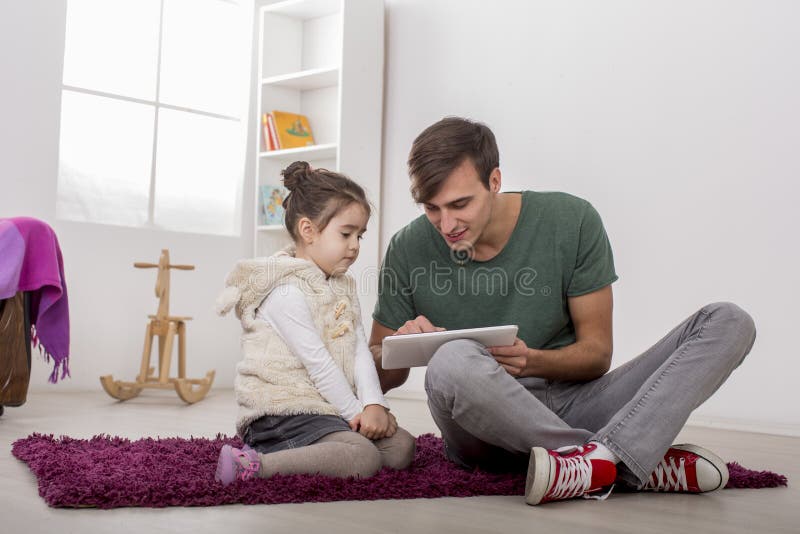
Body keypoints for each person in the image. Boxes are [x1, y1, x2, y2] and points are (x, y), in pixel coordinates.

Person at [368, 117, 756, 505]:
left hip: (576, 405)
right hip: (479, 431)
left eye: (460, 204)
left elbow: (597, 355)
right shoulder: (407, 248)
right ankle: (624, 459)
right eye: (431, 208)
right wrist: (399, 347)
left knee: (730, 321)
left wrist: (531, 361)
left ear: (495, 181)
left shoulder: (572, 220)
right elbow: (377, 380)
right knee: (451, 360)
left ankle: (588, 463)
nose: (446, 224)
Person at [215, 161, 416, 486]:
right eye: (346, 234)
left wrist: (374, 404)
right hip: (280, 413)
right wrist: (356, 414)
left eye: (360, 236)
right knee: (362, 457)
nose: (355, 245)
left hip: (324, 407)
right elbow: (318, 364)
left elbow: (358, 351)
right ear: (308, 231)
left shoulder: (341, 286)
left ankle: (326, 446)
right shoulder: (286, 290)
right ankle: (255, 465)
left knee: (401, 448)